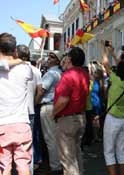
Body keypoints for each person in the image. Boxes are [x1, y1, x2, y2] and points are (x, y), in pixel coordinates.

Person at [51, 47, 90, 175]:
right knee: (76, 154)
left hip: (67, 119)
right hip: (80, 118)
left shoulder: (67, 75)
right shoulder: (84, 73)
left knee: (68, 160)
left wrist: (53, 113)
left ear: (70, 59)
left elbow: (63, 100)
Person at [0, 33, 33, 175]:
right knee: (23, 164)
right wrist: (19, 60)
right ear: (15, 51)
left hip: (2, 125)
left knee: (4, 166)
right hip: (22, 124)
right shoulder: (26, 69)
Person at [101, 42, 124, 175]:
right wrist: (113, 52)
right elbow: (120, 65)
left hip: (112, 119)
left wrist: (103, 49)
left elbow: (105, 63)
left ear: (118, 71)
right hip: (123, 120)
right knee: (121, 151)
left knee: (109, 151)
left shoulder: (114, 79)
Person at [16, 44, 43, 174]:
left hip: (15, 114)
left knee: (14, 148)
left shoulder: (12, 70)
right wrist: (34, 103)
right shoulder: (36, 70)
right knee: (28, 146)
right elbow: (40, 91)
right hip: (30, 112)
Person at [37, 51, 62, 174]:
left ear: (57, 61)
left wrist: (35, 102)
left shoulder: (51, 73)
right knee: (54, 138)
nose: (48, 58)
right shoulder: (59, 72)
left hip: (48, 106)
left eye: (52, 57)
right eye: (49, 56)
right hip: (55, 106)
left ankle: (55, 167)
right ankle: (56, 164)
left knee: (50, 138)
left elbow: (41, 91)